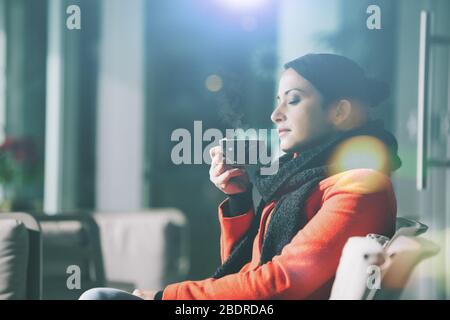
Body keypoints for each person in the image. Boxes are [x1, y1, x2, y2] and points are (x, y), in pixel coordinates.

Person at [79, 53, 401, 300]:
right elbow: (248, 266)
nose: (276, 115)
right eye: (278, 102)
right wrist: (240, 199)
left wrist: (168, 296)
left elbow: (279, 282)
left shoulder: (358, 187)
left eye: (293, 99)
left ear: (339, 112)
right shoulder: (305, 177)